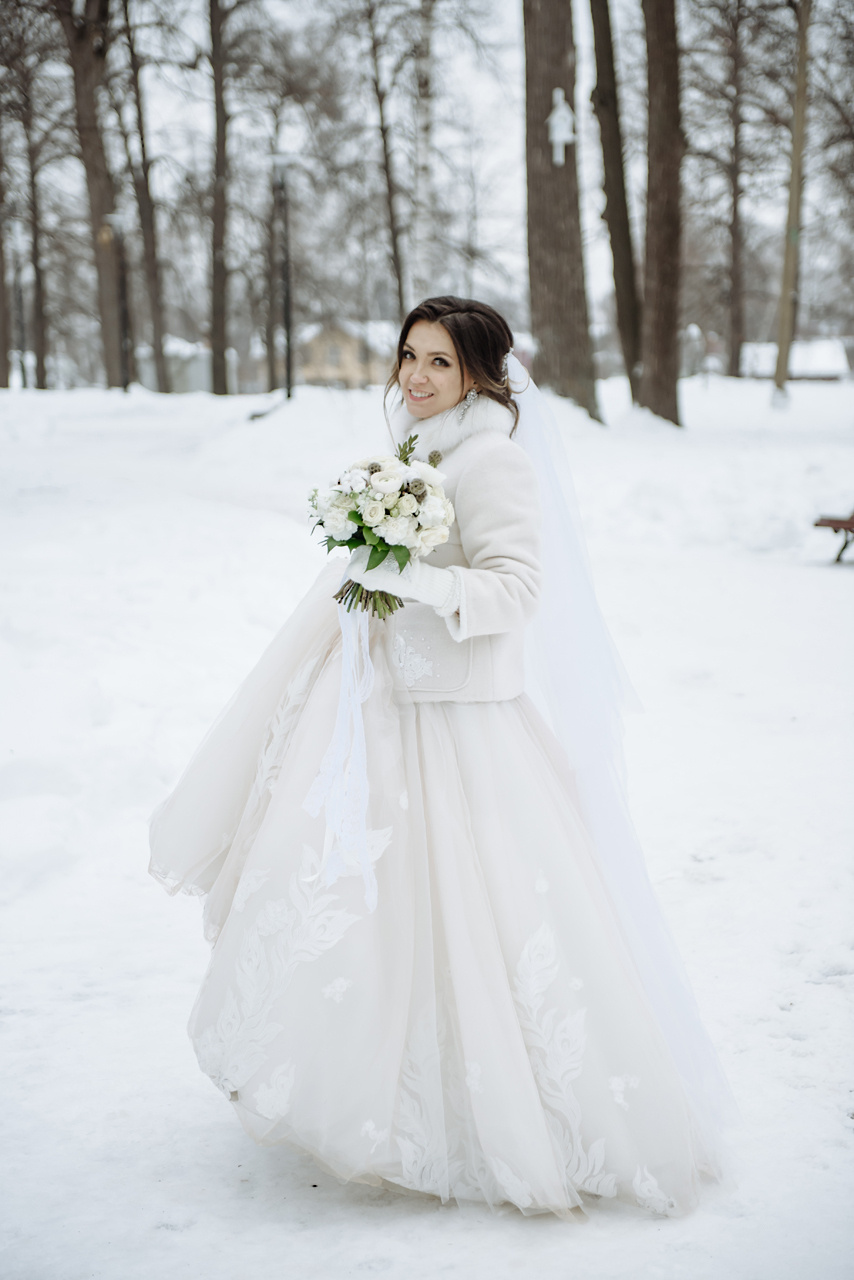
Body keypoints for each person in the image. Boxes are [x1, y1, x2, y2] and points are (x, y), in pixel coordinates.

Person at [150, 297, 732, 1218]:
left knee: (471, 904)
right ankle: (360, 1084)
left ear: (481, 377)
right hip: (377, 700)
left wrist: (414, 578)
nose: (416, 377)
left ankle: (486, 1108)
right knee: (357, 900)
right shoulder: (418, 449)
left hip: (456, 717)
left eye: (440, 363)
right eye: (409, 355)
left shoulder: (492, 460)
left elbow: (518, 589)